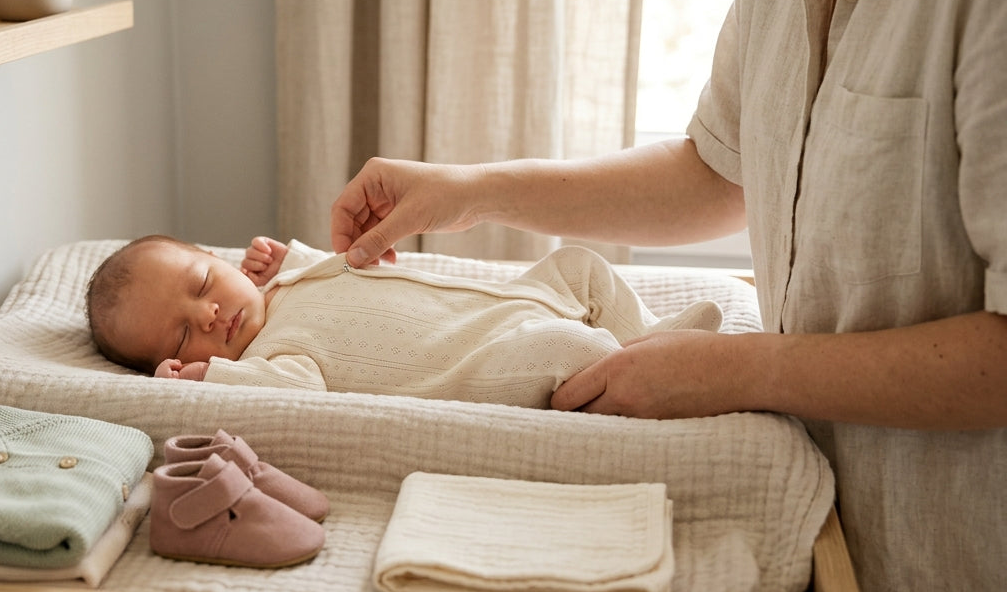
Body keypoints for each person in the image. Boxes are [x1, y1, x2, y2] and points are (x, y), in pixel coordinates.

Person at [328, 0, 1007, 592]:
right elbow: (718, 174)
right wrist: (475, 191)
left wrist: (744, 372)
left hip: (957, 580)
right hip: (810, 544)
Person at [85, 234, 721, 408]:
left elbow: (346, 264)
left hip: (506, 300)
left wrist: (285, 257)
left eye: (201, 285)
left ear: (218, 262)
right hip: (485, 357)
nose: (209, 315)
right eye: (181, 336)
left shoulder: (292, 278)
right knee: (565, 344)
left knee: (579, 265)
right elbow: (294, 395)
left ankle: (650, 335)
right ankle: (643, 362)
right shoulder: (270, 360)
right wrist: (207, 380)